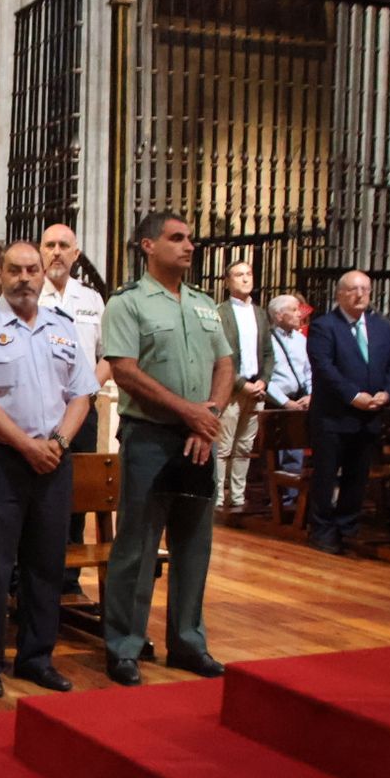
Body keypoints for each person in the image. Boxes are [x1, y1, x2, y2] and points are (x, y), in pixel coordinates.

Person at [100, 211, 233, 686]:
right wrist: (188, 412)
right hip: (151, 437)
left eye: (190, 239)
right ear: (148, 246)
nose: (189, 246)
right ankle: (124, 646)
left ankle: (188, 643)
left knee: (194, 543)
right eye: (177, 238)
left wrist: (209, 414)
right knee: (136, 545)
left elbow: (224, 362)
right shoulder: (129, 303)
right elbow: (125, 369)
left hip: (200, 436)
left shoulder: (203, 304)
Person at [0, 241, 97, 696]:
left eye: (31, 270)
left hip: (53, 462)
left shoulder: (63, 328)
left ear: (43, 275)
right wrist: (26, 446)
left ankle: (37, 657)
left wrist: (56, 443)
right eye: (15, 270)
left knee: (46, 565)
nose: (24, 278)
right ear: (0, 274)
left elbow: (82, 393)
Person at [305, 270, 390, 555]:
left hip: (369, 415)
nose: (360, 295)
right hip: (333, 416)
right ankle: (321, 529)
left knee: (357, 476)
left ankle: (348, 526)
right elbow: (325, 368)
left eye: (365, 290)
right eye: (352, 289)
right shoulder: (325, 326)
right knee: (326, 475)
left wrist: (387, 393)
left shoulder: (381, 326)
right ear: (339, 294)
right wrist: (354, 396)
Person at [39, 222, 110, 594]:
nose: (56, 252)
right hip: (41, 408)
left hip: (81, 410)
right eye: (49, 244)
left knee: (77, 492)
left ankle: (67, 579)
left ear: (76, 254)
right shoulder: (32, 294)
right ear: (40, 250)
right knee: (38, 489)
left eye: (63, 245)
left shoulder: (92, 300)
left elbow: (107, 353)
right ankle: (31, 576)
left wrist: (86, 390)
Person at [215, 260, 274, 512]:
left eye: (249, 274)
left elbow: (269, 353)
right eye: (239, 275)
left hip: (256, 387)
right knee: (224, 445)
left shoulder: (260, 313)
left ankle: (237, 495)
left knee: (244, 446)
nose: (246, 279)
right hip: (231, 389)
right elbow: (218, 354)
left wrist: (264, 380)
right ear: (228, 281)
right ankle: (217, 495)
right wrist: (240, 384)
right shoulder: (221, 312)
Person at [264, 293, 311, 506]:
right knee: (281, 453)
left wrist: (310, 394)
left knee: (297, 451)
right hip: (279, 402)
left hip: (301, 401)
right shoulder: (267, 340)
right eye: (293, 309)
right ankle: (282, 498)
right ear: (279, 315)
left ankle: (295, 499)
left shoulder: (301, 339)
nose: (299, 313)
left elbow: (309, 371)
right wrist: (284, 402)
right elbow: (265, 376)